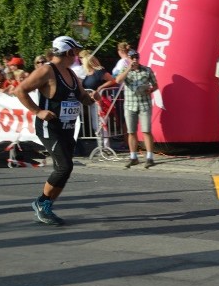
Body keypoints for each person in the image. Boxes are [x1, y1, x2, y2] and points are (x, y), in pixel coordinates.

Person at [15, 35, 101, 225]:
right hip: (50, 128)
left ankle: (45, 204)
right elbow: (20, 90)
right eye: (75, 52)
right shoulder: (47, 70)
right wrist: (38, 111)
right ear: (68, 52)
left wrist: (92, 97)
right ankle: (42, 203)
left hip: (68, 128)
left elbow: (82, 98)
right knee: (65, 166)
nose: (77, 55)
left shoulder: (71, 74)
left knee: (64, 168)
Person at [116, 49, 158, 169]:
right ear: (128, 59)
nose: (135, 59)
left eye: (136, 57)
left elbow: (155, 85)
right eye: (132, 57)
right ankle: (133, 157)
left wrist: (150, 90)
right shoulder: (125, 70)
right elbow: (118, 80)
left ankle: (150, 157)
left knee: (146, 130)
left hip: (144, 104)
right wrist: (129, 68)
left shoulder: (147, 70)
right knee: (131, 132)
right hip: (130, 105)